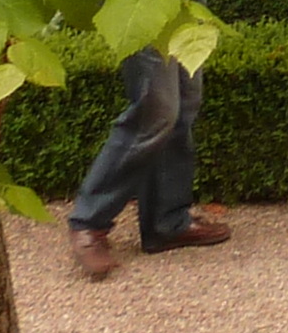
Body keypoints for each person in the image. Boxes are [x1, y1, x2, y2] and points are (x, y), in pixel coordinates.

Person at [67, 45, 230, 278]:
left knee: (185, 102)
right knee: (156, 111)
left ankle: (167, 222)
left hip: (187, 8)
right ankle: (88, 221)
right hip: (141, 8)